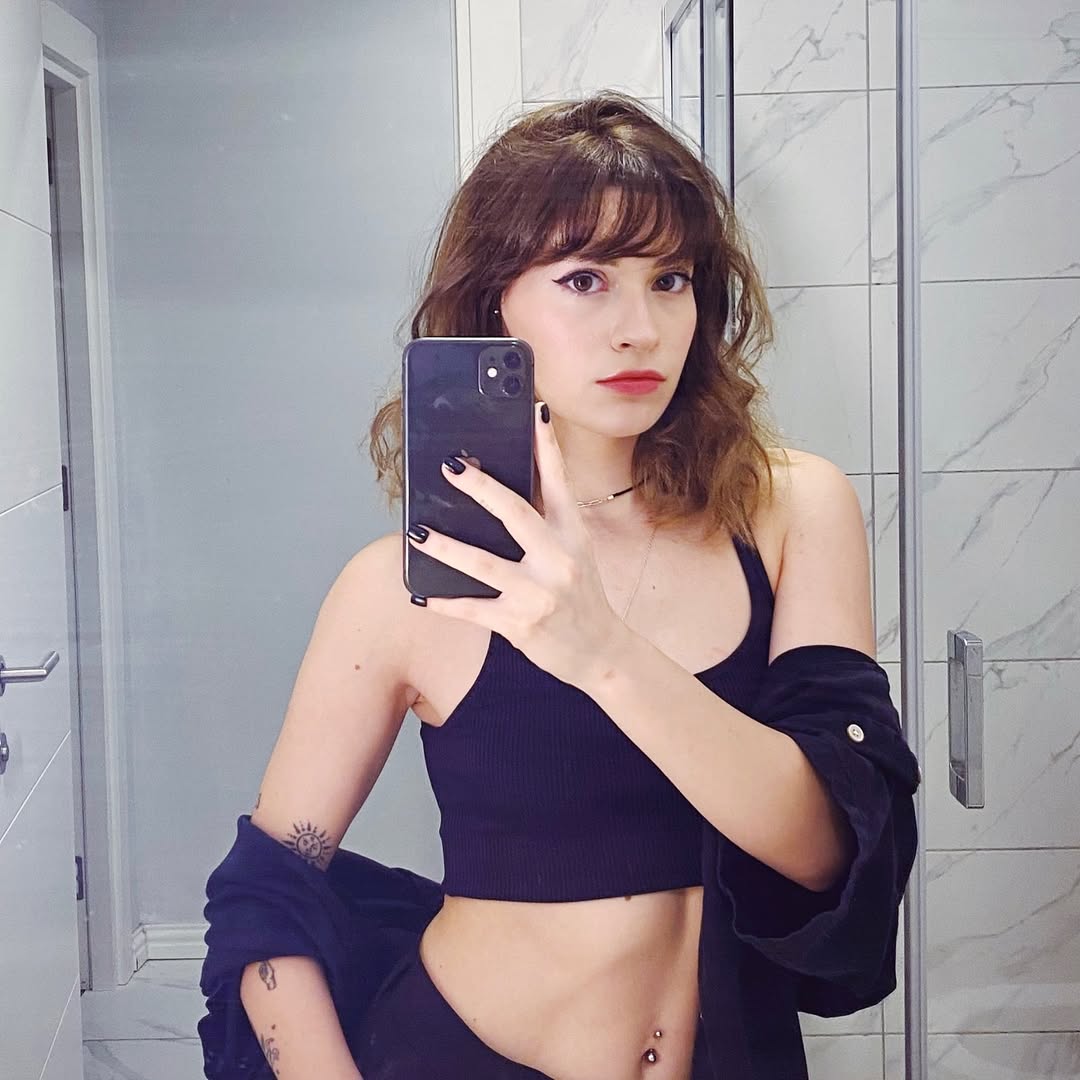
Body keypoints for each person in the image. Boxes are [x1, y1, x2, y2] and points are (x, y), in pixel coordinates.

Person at [198, 92, 920, 1080]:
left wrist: (603, 650)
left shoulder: (791, 512)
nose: (640, 329)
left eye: (670, 279)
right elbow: (268, 887)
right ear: (495, 303)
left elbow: (833, 848)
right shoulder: (400, 588)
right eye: (586, 279)